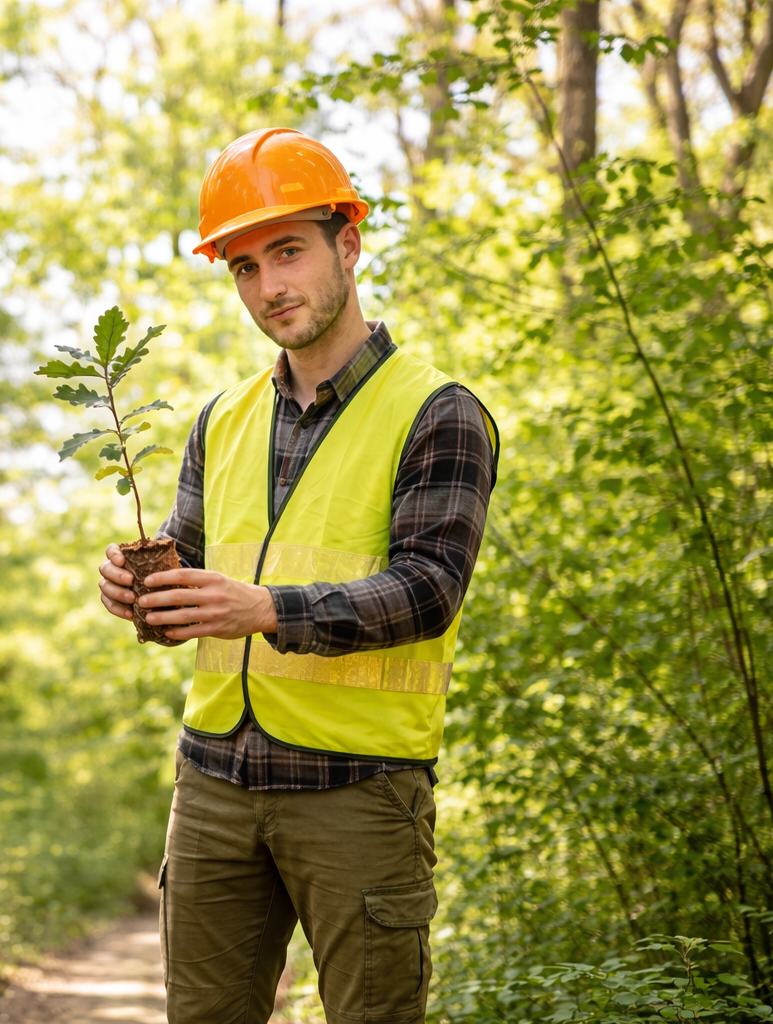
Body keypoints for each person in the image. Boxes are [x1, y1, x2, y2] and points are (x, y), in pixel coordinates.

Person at [97, 127, 498, 1024]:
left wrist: (265, 608)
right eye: (244, 266)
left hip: (359, 789)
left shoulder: (437, 411)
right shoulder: (220, 418)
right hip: (214, 781)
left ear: (347, 245)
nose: (268, 286)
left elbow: (429, 589)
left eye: (288, 252)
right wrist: (134, 585)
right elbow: (190, 566)